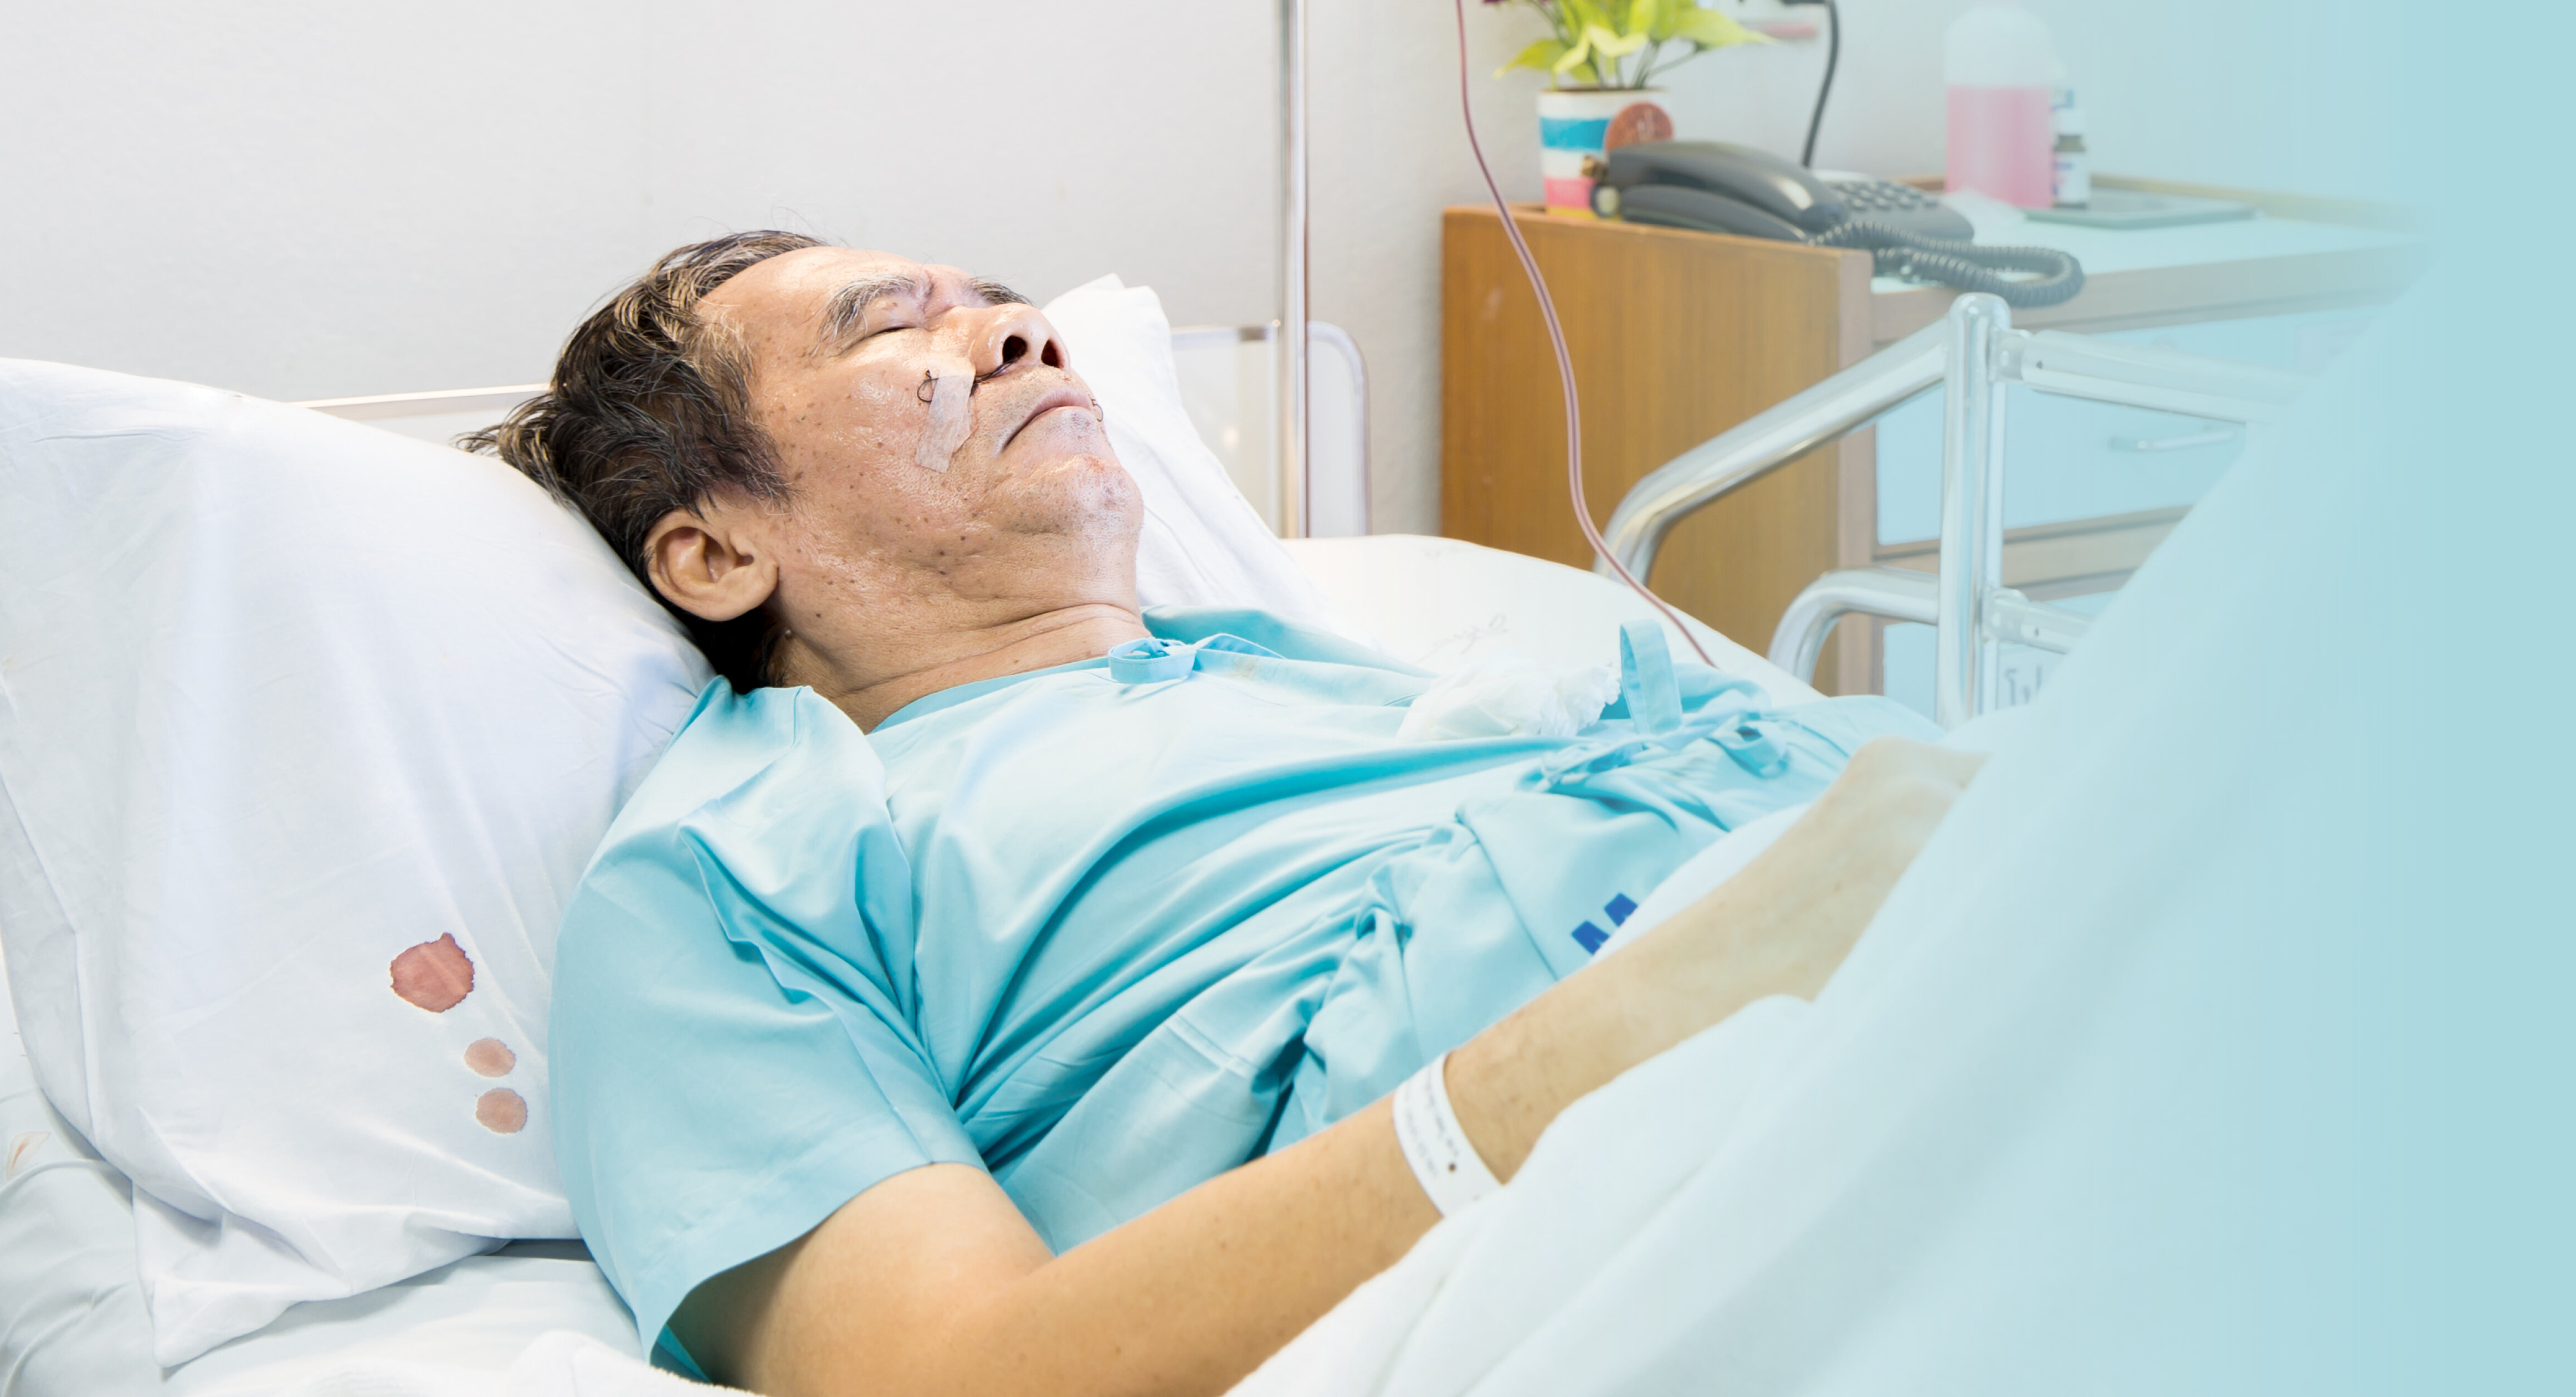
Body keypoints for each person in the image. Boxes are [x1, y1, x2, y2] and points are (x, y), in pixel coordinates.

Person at [477, 232, 1979, 1397]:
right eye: (890, 329)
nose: (1021, 330)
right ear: (714, 553)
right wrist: (1642, 1015)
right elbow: (947, 1372)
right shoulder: (728, 865)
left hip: (1926, 913)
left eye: (996, 300)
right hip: (1718, 1119)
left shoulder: (1299, 671)